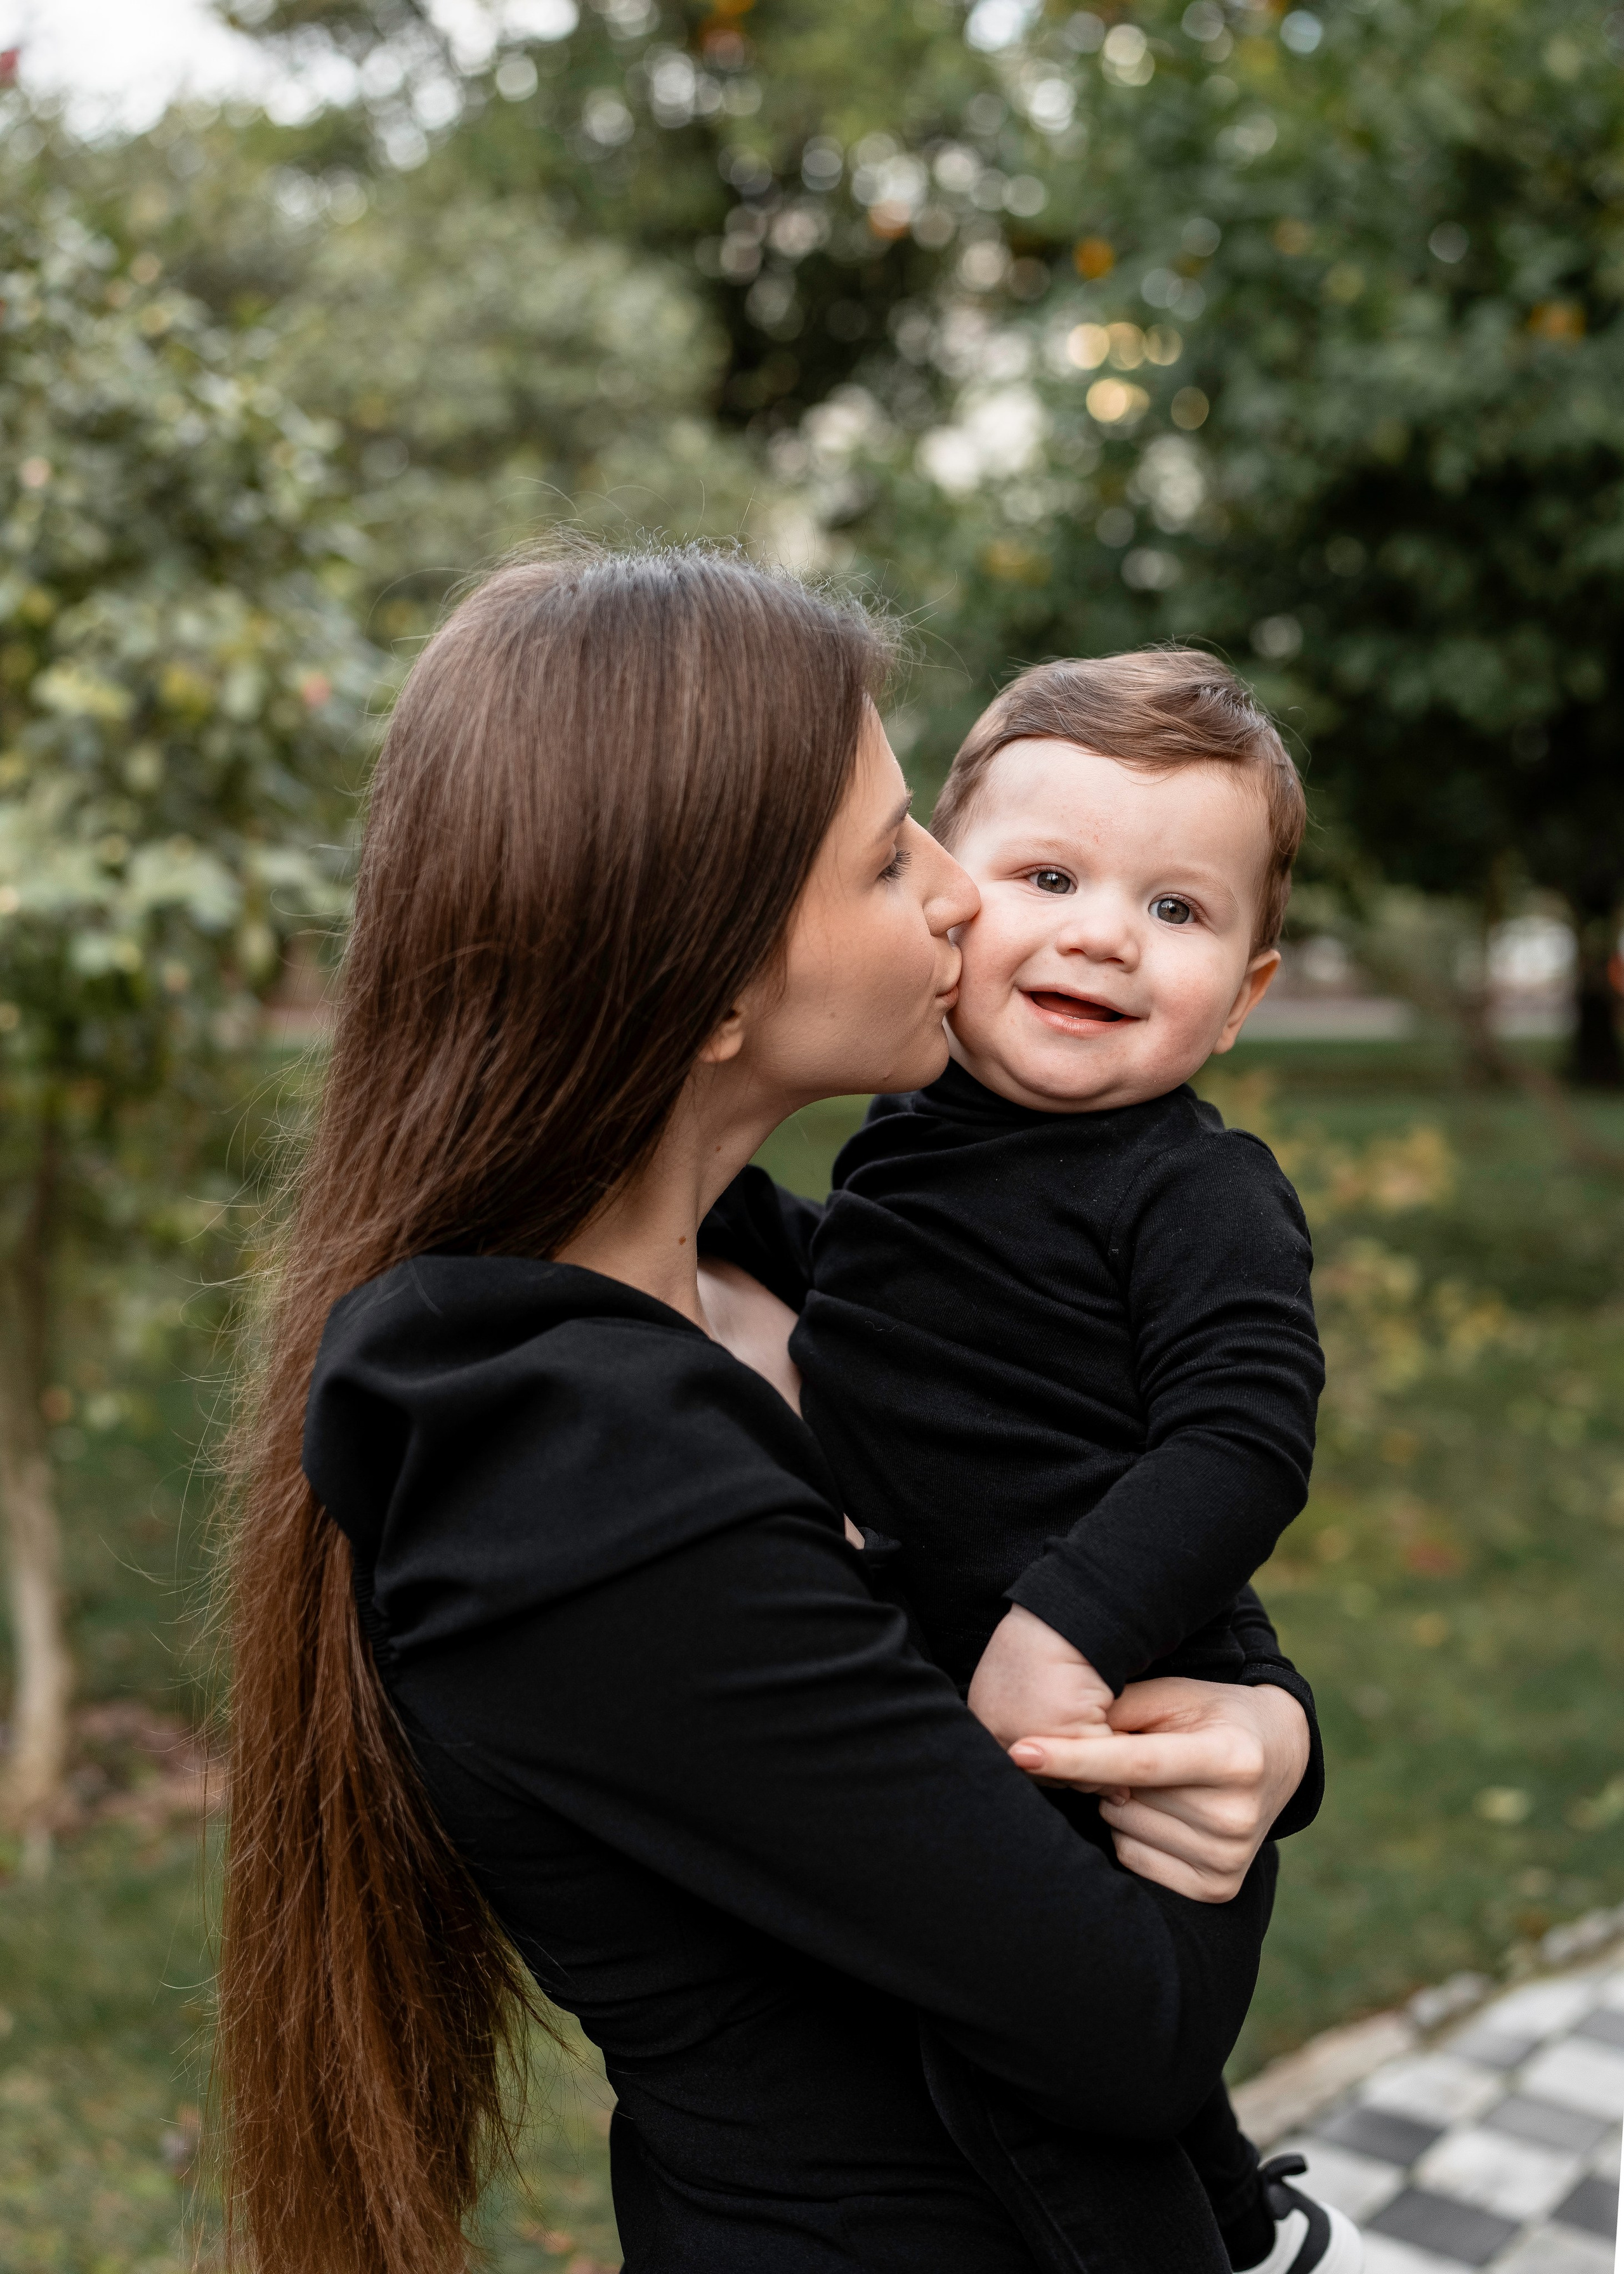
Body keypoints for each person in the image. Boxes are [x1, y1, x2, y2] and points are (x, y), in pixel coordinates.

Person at [219, 546, 1321, 2274]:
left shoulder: (776, 1276)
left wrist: (1269, 1727)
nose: (970, 898)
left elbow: (1072, 1493)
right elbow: (1127, 2025)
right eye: (897, 856)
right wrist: (1232, 1785)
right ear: (713, 978)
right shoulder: (568, 1480)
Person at [700, 653, 1357, 2274]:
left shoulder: (1188, 1191)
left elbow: (1242, 1432)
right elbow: (852, 1289)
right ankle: (1224, 2202)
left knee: (1033, 2095)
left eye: (1177, 911)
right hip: (972, 1699)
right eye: (1046, 876)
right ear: (945, 904)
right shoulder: (914, 1135)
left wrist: (1059, 1633)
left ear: (1248, 988)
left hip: (1116, 1713)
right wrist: (683, 1193)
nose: (1101, 934)